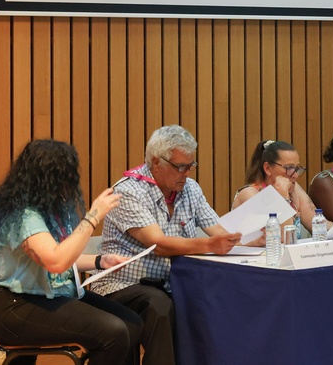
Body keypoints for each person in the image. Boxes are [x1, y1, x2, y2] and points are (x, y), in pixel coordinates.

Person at [92, 125, 243, 365]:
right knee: (159, 306)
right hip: (122, 285)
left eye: (190, 166)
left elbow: (218, 232)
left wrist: (243, 240)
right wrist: (209, 244)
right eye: (180, 167)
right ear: (156, 162)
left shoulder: (190, 189)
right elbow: (158, 245)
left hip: (171, 283)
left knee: (211, 300)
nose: (186, 174)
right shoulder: (129, 191)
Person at [0, 139, 143, 365]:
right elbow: (55, 262)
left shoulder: (52, 209)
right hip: (17, 306)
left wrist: (100, 261)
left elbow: (63, 257)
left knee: (131, 323)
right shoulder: (21, 215)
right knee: (114, 332)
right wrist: (94, 215)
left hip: (53, 294)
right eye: (64, 176)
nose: (70, 182)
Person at [232, 139, 333, 242]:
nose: (295, 175)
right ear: (267, 168)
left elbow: (316, 223)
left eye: (297, 168)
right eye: (289, 168)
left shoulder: (294, 189)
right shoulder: (250, 194)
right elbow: (281, 238)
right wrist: (283, 199)